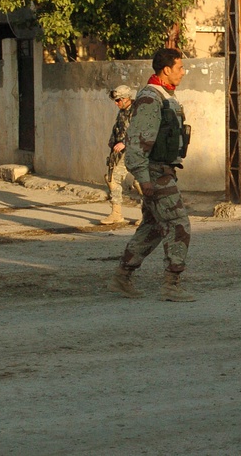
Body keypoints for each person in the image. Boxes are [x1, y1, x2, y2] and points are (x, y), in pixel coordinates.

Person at [108, 48, 194, 302]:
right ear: (166, 70)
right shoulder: (150, 98)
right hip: (155, 172)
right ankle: (171, 285)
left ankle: (122, 277)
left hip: (161, 170)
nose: (183, 72)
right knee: (179, 225)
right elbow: (136, 143)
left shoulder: (164, 96)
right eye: (179, 67)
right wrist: (143, 178)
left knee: (154, 227)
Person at [101, 85, 135, 225]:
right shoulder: (122, 111)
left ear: (126, 98)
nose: (116, 103)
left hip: (136, 150)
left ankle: (148, 215)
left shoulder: (138, 111)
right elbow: (118, 128)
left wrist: (125, 143)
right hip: (120, 152)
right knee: (111, 178)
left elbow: (141, 131)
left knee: (141, 182)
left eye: (118, 100)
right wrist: (113, 143)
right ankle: (116, 213)